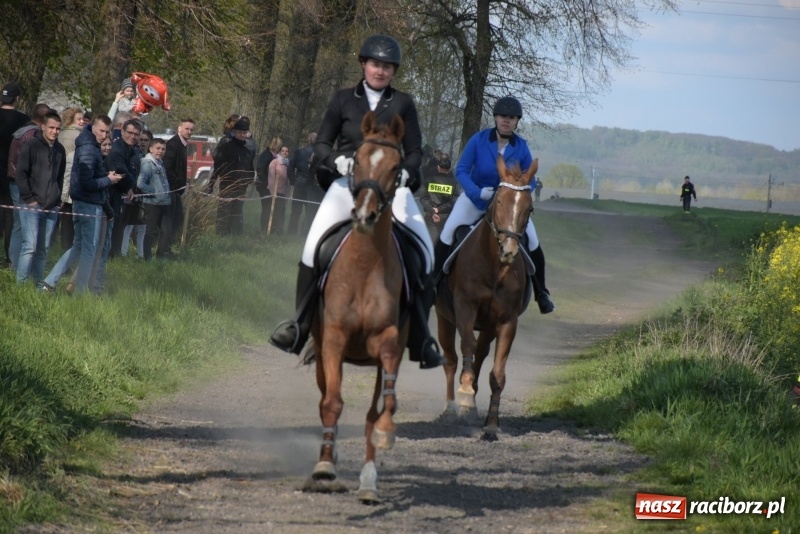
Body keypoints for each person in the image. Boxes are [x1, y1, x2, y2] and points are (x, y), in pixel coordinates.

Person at [269, 34, 443, 369]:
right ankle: (300, 326)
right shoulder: (343, 99)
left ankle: (420, 337)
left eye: (387, 66)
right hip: (346, 184)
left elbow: (416, 150)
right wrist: (336, 161)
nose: (380, 71)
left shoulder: (403, 103)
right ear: (364, 64)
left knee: (426, 250)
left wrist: (406, 173)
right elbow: (322, 142)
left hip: (392, 187)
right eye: (375, 64)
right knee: (311, 249)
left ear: (394, 71)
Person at [434, 96, 556, 315]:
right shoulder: (478, 140)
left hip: (507, 207)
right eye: (502, 116)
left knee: (534, 241)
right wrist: (476, 191)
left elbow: (531, 178)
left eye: (511, 118)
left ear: (517, 121)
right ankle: (431, 286)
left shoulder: (521, 147)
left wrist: (519, 192)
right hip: (475, 200)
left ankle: (542, 293)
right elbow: (461, 170)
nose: (506, 121)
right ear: (496, 118)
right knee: (447, 232)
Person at [39, 115, 123, 294]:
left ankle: (48, 283)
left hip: (84, 203)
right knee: (89, 251)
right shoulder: (88, 149)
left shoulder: (90, 146)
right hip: (88, 204)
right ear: (93, 128)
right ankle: (81, 293)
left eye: (108, 132)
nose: (104, 135)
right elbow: (87, 182)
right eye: (101, 130)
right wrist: (108, 179)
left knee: (77, 247)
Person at [15, 111, 65, 284]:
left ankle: (37, 285)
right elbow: (21, 174)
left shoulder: (60, 150)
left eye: (58, 129)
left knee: (43, 248)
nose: (54, 131)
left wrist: (57, 202)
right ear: (43, 127)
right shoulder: (31, 145)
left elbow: (60, 177)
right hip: (31, 204)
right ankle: (20, 286)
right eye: (51, 127)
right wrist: (29, 199)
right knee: (30, 246)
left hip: (51, 206)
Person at [6, 103, 51, 270]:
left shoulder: (23, 129)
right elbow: (29, 165)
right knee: (26, 231)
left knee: (18, 226)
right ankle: (19, 266)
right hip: (24, 185)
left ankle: (13, 263)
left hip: (14, 181)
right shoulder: (33, 135)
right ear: (43, 120)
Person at [207, 116, 254, 235]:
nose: (242, 135)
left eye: (244, 132)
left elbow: (250, 169)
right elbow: (218, 168)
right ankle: (221, 236)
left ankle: (236, 237)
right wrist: (211, 185)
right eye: (240, 132)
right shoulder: (226, 147)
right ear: (235, 132)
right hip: (227, 185)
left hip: (241, 187)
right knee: (224, 212)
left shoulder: (247, 152)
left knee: (237, 212)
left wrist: (248, 181)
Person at [0, 83, 30, 268]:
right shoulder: (23, 120)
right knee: (11, 215)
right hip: (11, 172)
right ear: (17, 99)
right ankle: (9, 258)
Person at [108, 119, 140, 259]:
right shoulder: (117, 149)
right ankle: (109, 256)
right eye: (129, 133)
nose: (132, 137)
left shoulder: (132, 150)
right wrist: (129, 187)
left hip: (122, 193)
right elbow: (121, 170)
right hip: (112, 192)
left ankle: (114, 255)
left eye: (136, 134)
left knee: (119, 227)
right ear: (122, 131)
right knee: (112, 228)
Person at [137, 138, 172, 260]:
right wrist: (153, 192)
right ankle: (147, 257)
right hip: (152, 202)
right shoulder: (147, 163)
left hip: (164, 202)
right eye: (158, 148)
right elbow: (141, 183)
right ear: (151, 149)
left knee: (166, 230)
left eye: (163, 149)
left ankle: (161, 256)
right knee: (151, 231)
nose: (160, 151)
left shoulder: (160, 162)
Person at [163, 118, 194, 252]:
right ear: (179, 128)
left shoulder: (183, 144)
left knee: (177, 219)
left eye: (192, 129)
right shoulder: (173, 144)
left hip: (176, 189)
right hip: (171, 189)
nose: (189, 131)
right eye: (187, 128)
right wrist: (177, 184)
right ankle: (163, 250)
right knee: (170, 221)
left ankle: (167, 248)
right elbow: (167, 167)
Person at [56, 107, 84, 251]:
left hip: (58, 179)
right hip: (71, 181)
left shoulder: (59, 133)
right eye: (79, 119)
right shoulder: (78, 136)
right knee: (72, 225)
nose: (82, 122)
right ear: (71, 119)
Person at [287, 132, 321, 235]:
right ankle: (305, 234)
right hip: (311, 187)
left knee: (295, 211)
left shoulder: (299, 152)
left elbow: (290, 168)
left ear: (308, 140)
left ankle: (291, 233)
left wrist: (293, 181)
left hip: (299, 185)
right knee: (309, 212)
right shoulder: (319, 154)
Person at [419, 156, 459, 242]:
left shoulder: (429, 181)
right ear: (449, 169)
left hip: (431, 216)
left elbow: (423, 198)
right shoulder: (454, 183)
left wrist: (432, 211)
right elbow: (454, 200)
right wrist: (440, 209)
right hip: (446, 217)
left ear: (438, 167)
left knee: (429, 241)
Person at [255, 136, 281, 233]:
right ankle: (264, 229)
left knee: (273, 207)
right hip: (264, 185)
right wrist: (266, 182)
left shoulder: (277, 155)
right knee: (267, 207)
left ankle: (272, 228)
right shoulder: (266, 154)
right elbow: (260, 169)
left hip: (274, 185)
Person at [267, 144, 290, 235]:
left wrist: (288, 194)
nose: (284, 152)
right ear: (279, 152)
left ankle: (279, 232)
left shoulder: (288, 163)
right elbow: (271, 177)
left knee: (281, 212)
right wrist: (273, 192)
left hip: (283, 192)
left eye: (286, 151)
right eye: (283, 150)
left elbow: (288, 180)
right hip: (274, 191)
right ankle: (271, 231)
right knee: (274, 212)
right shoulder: (275, 162)